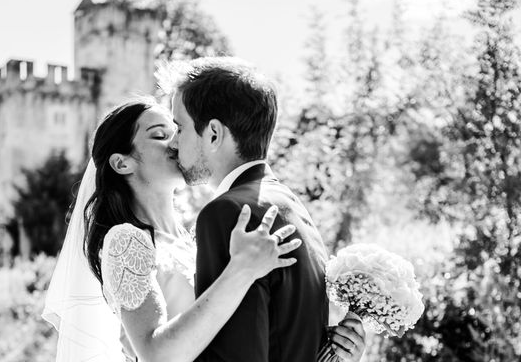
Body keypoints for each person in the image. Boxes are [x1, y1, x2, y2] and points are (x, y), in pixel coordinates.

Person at [44, 98, 302, 362]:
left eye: (177, 131)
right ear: (122, 164)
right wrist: (241, 270)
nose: (176, 142)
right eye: (159, 135)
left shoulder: (193, 240)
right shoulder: (126, 240)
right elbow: (156, 355)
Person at [161, 56, 366, 362]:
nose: (174, 143)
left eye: (180, 128)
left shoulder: (227, 214)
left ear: (213, 134)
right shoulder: (293, 207)